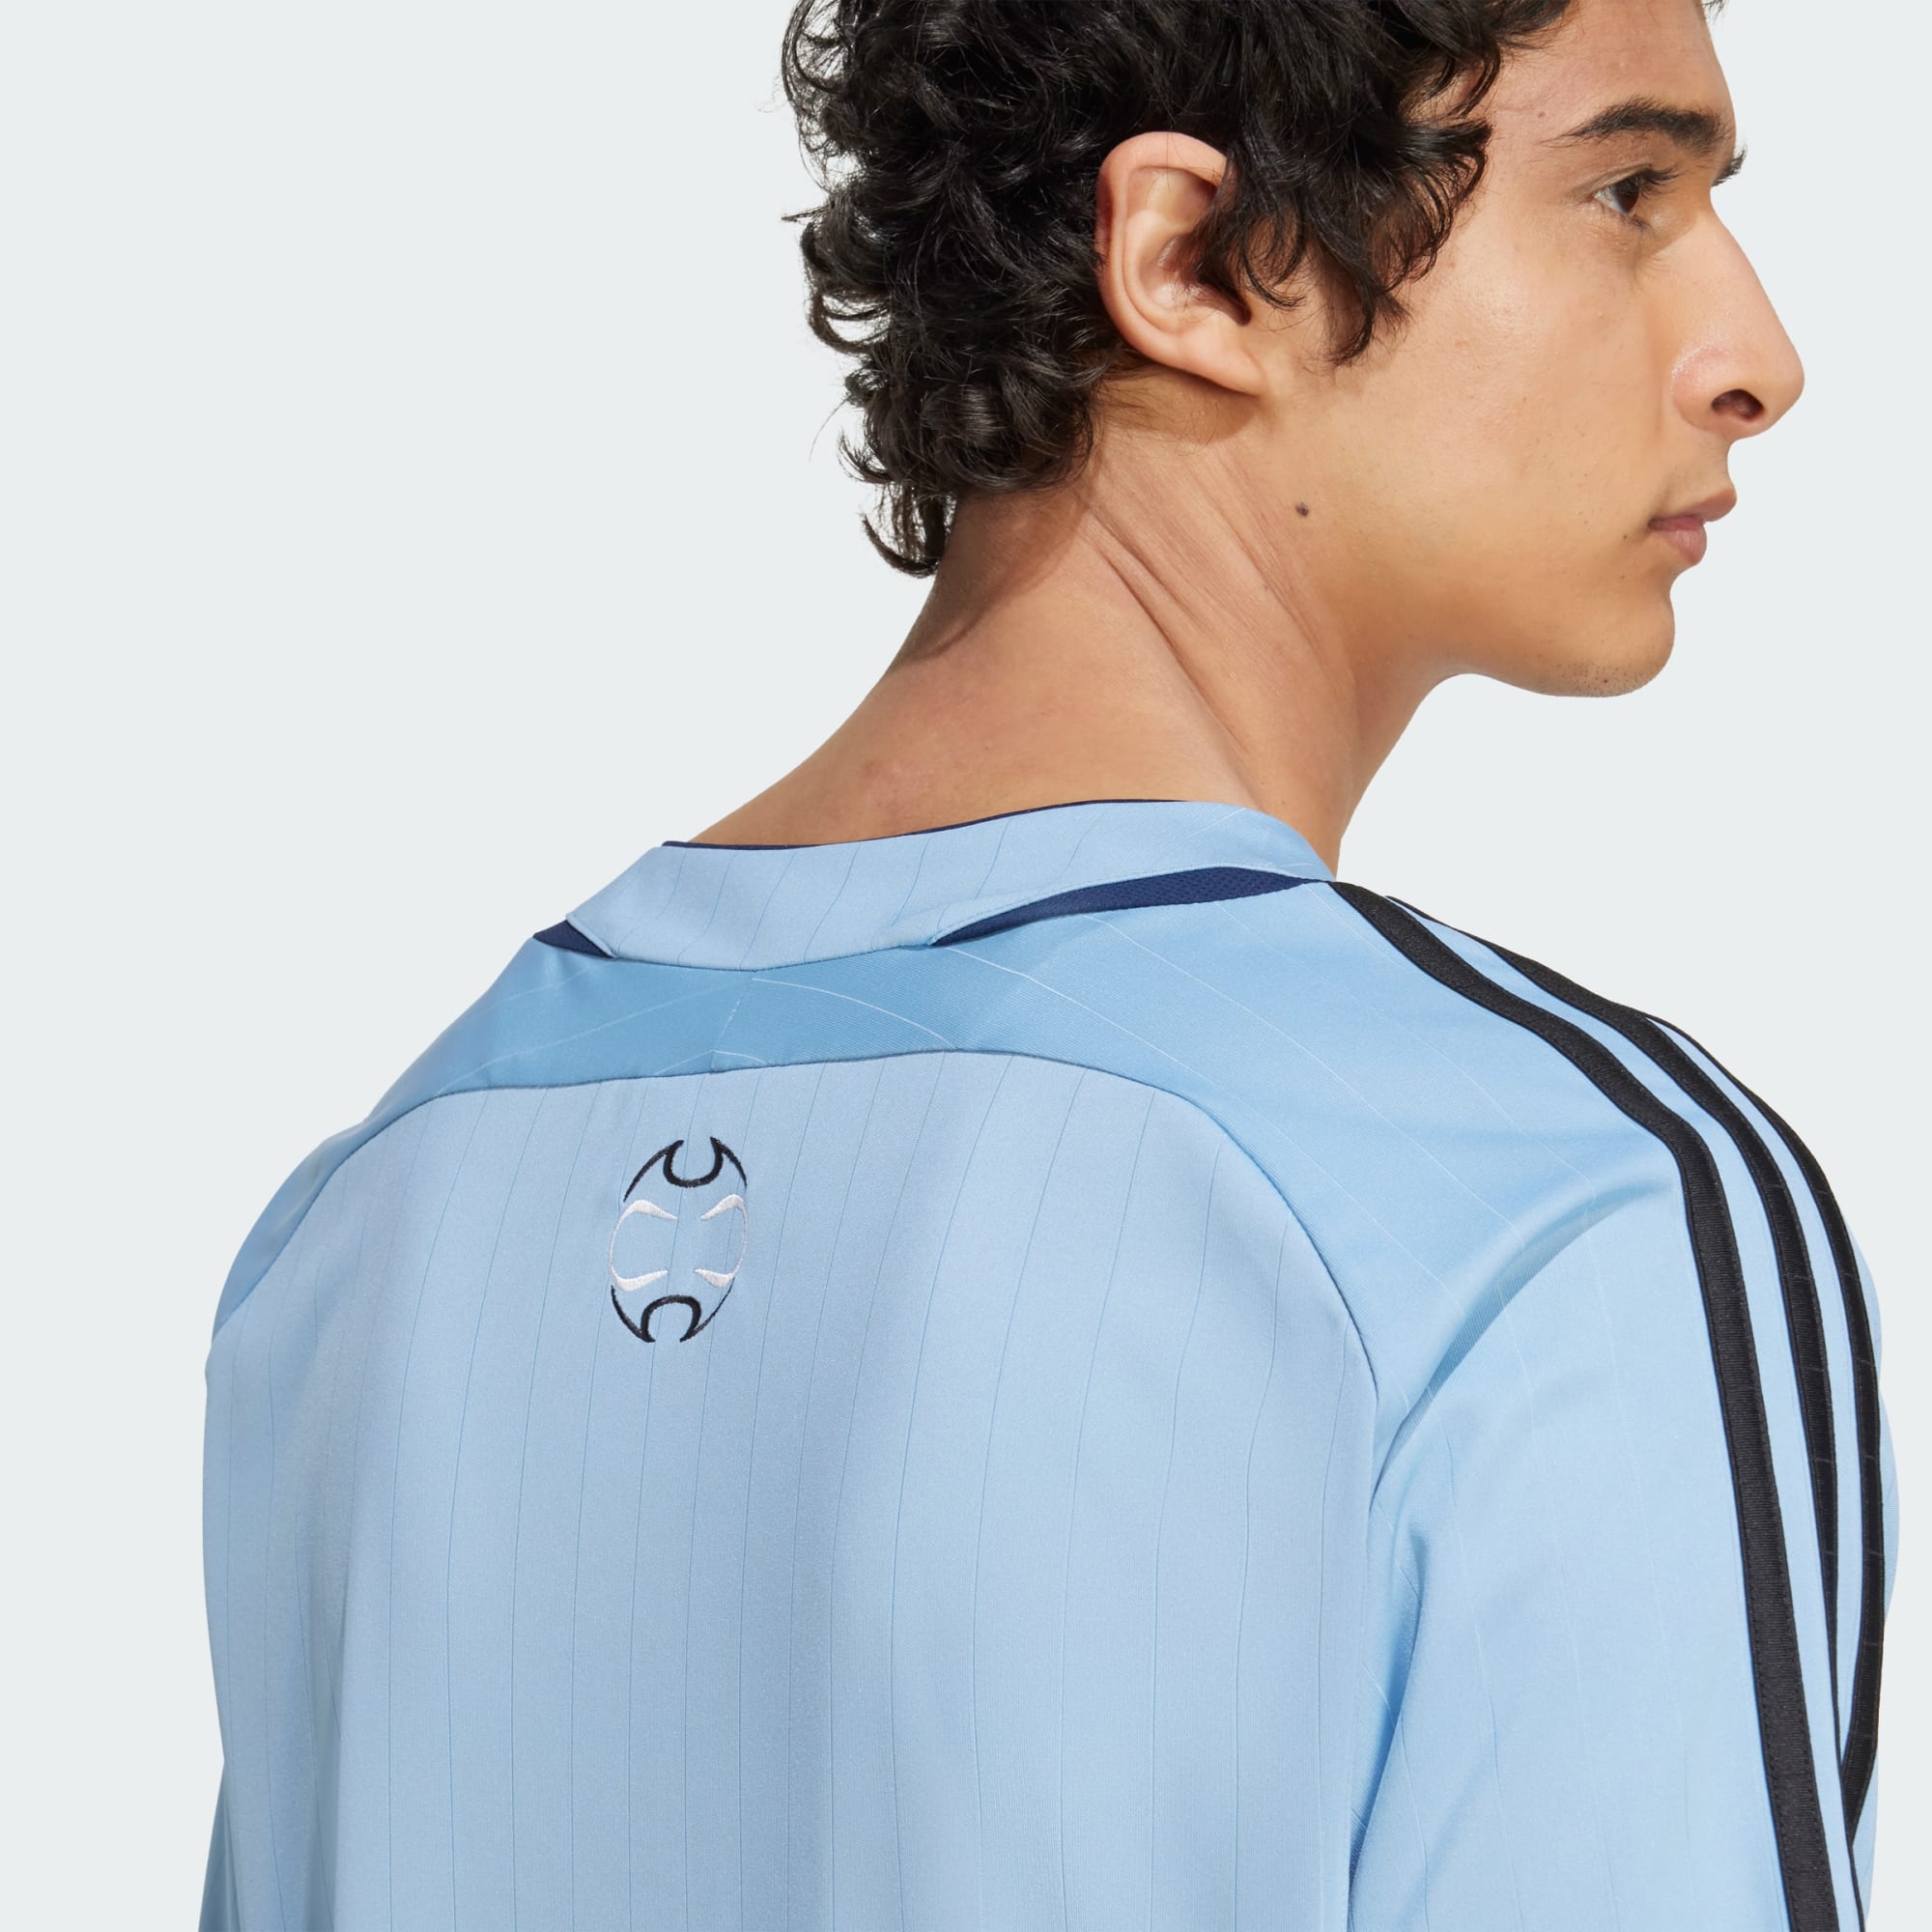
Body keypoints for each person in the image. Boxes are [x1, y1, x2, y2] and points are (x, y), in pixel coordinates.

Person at [198, 0, 1897, 1925]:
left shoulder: (377, 1205)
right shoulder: (1541, 1202)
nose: (1757, 358)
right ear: (1194, 260)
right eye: (1627, 191)